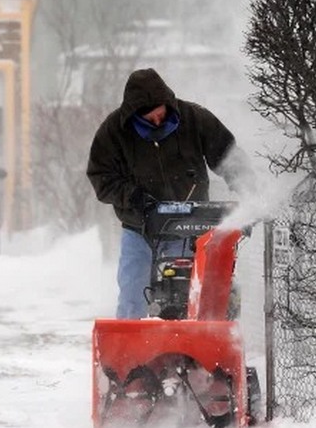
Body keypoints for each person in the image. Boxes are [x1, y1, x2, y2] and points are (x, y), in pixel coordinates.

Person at [86, 68, 255, 319]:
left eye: (161, 115)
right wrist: (135, 198)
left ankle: (191, 348)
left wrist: (249, 189)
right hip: (139, 226)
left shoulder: (195, 119)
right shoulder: (113, 132)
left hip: (189, 225)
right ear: (134, 116)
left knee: (189, 293)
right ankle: (128, 351)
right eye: (149, 119)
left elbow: (228, 157)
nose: (157, 122)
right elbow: (101, 177)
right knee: (133, 291)